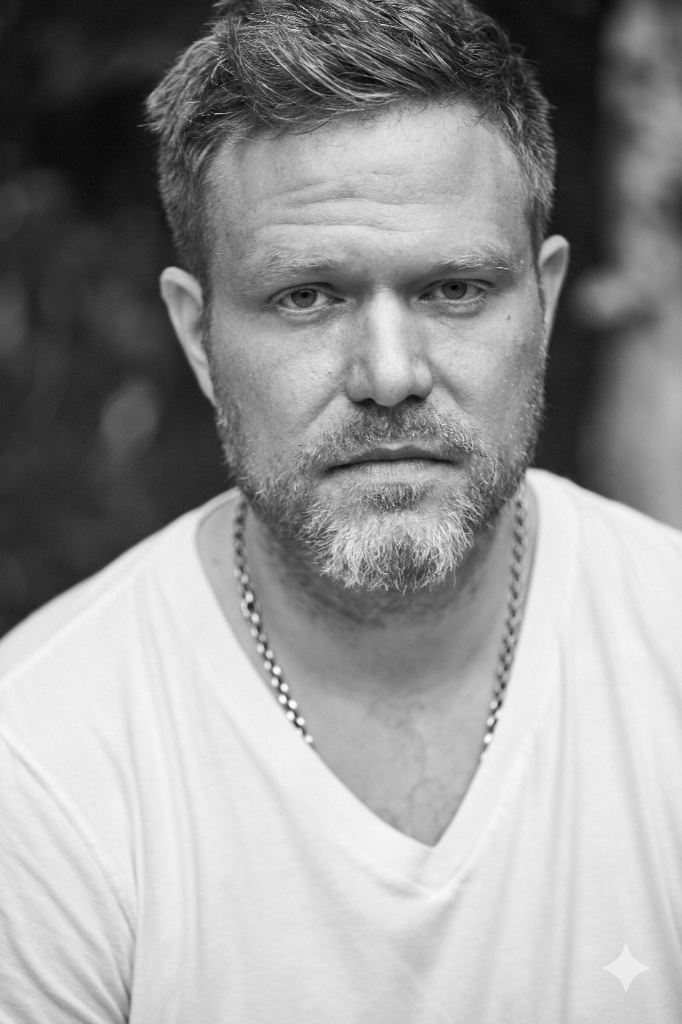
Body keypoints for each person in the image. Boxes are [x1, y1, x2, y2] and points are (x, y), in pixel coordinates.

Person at [1, 0, 681, 1020]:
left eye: (454, 288)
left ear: (540, 309)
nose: (391, 375)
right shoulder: (39, 763)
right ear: (197, 335)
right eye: (307, 296)